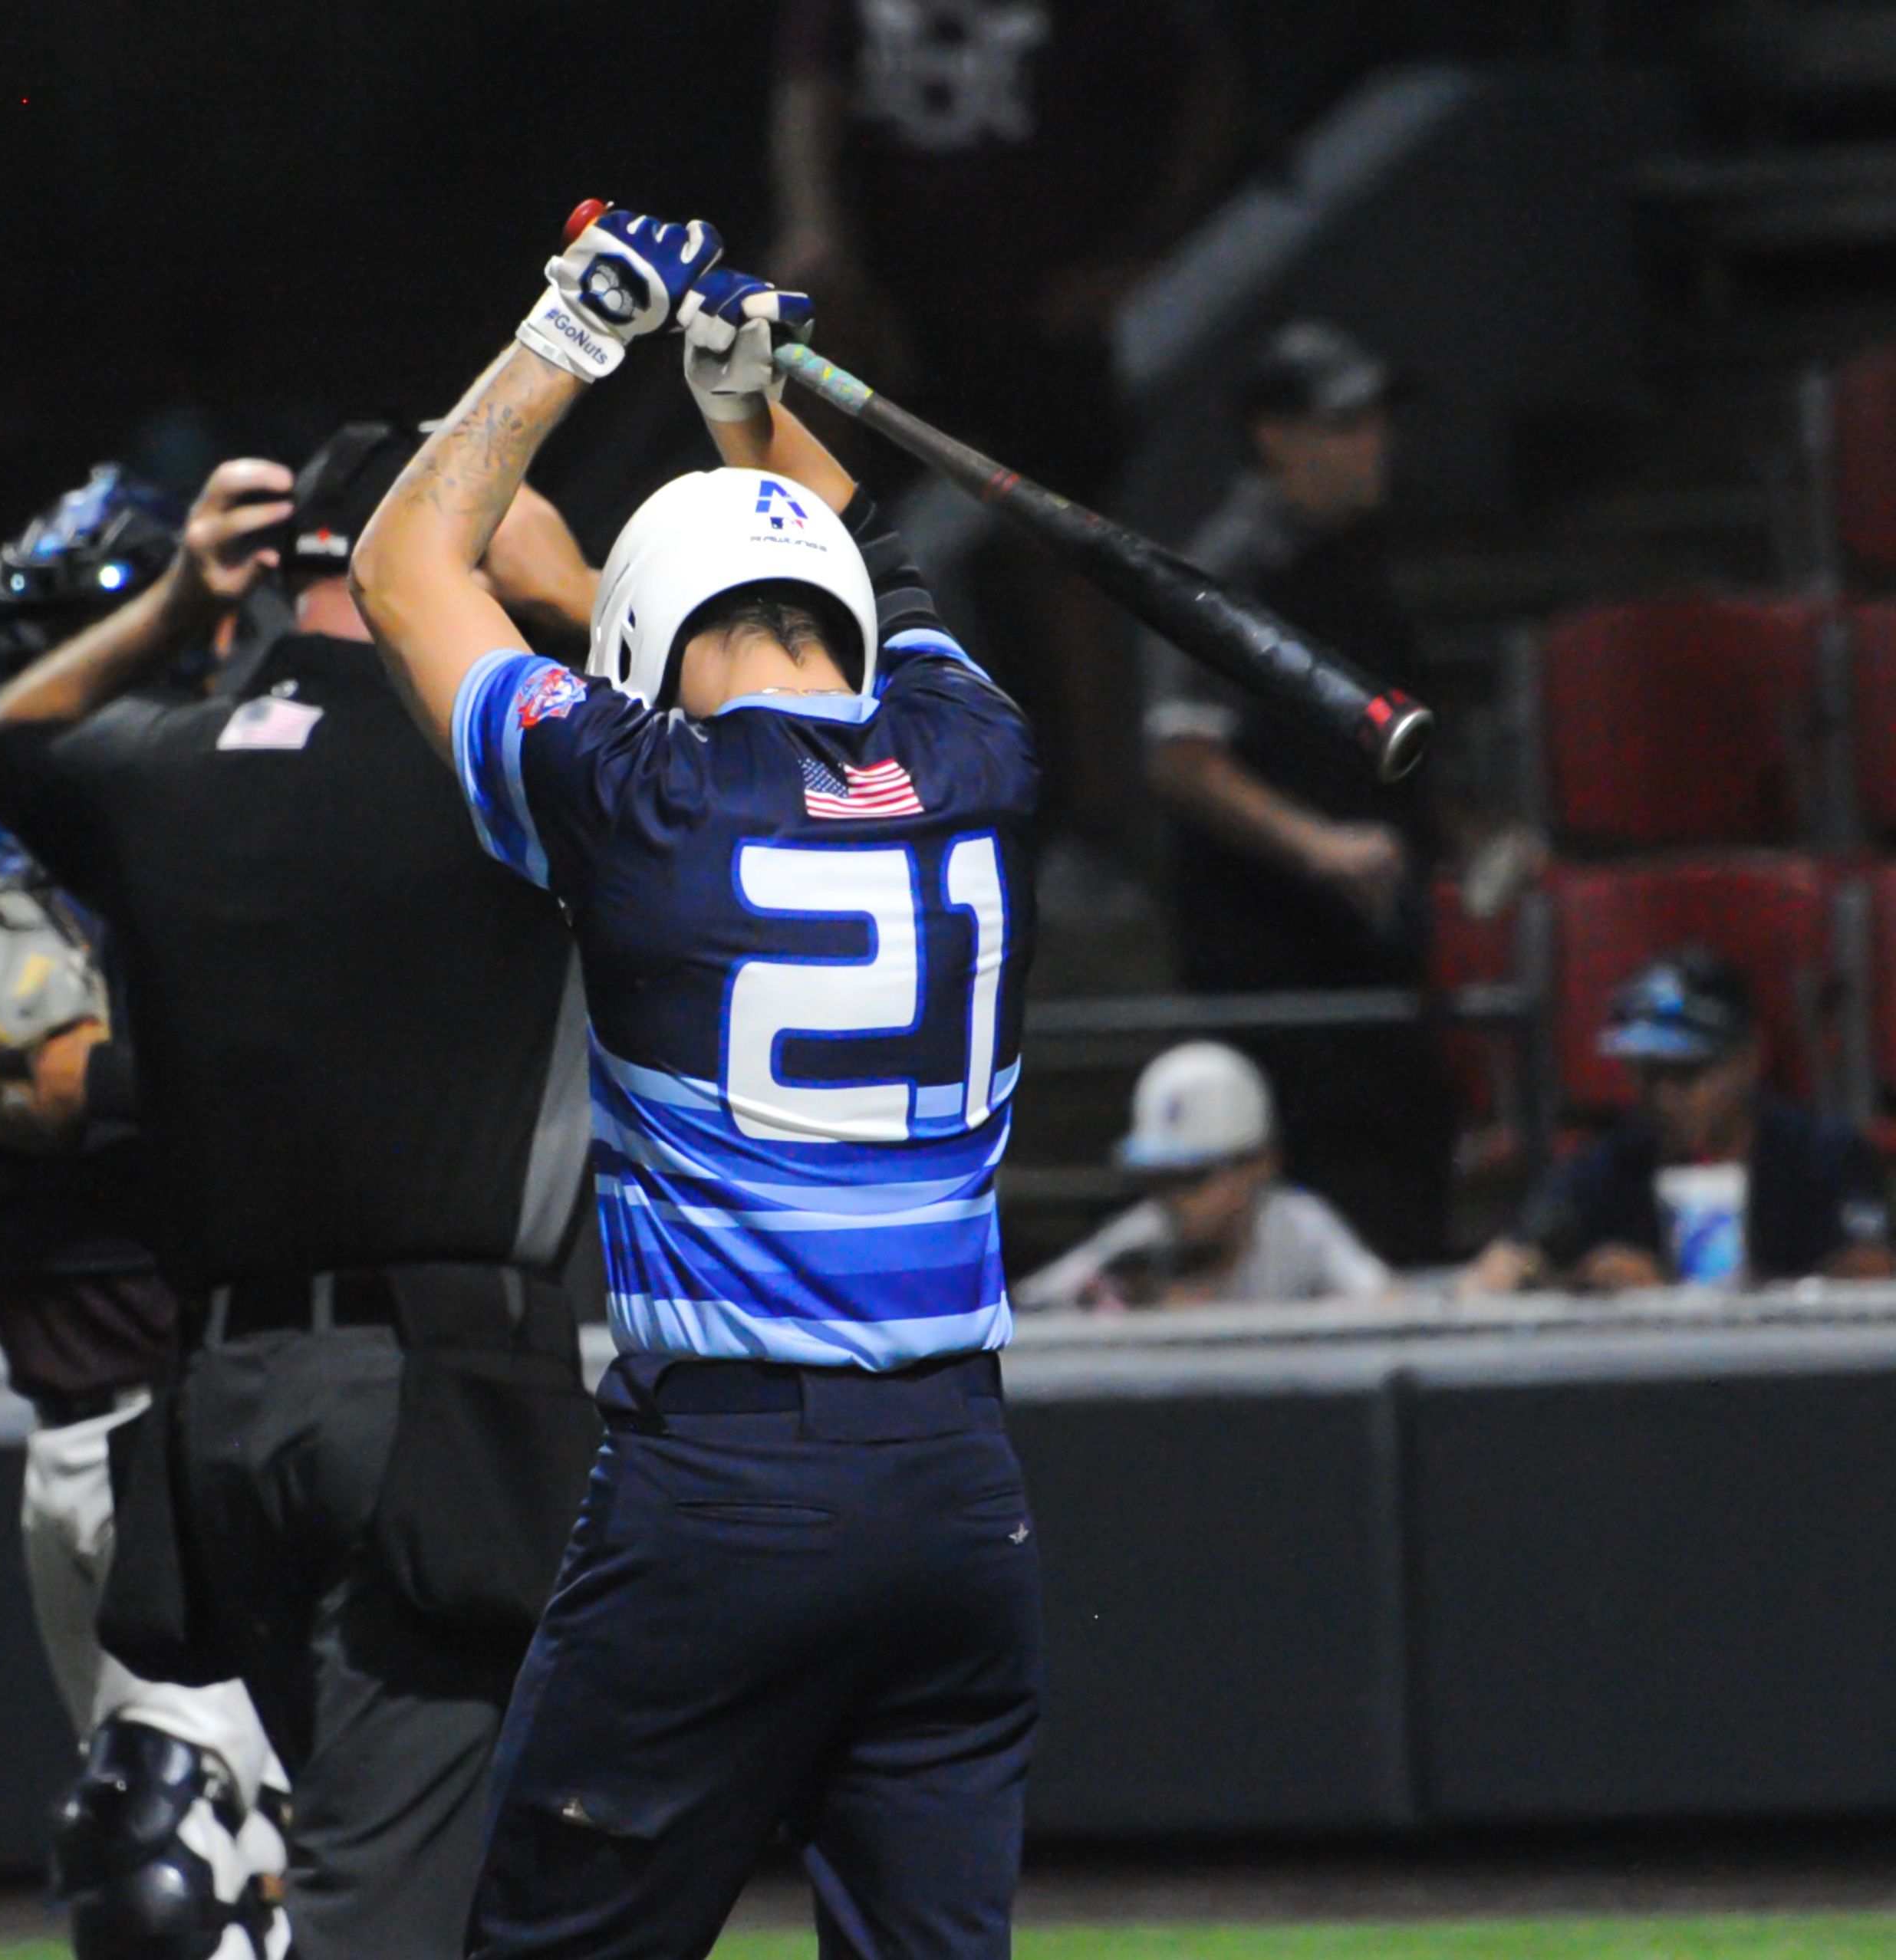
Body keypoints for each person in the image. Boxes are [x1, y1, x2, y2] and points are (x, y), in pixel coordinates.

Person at [354, 206, 1040, 1959]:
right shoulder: (976, 757)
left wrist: (573, 332)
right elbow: (870, 562)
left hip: (726, 1486)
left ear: (643, 633)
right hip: (959, 1490)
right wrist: (750, 403)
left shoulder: (629, 792)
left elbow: (402, 566)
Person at [0, 426, 602, 1960]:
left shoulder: (166, 764)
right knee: (390, 1897)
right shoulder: (516, 766)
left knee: (382, 1849)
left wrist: (184, 602)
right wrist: (572, 593)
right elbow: (750, 726)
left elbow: (10, 745)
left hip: (223, 1412)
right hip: (436, 1406)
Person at [0, 465, 290, 1960]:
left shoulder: (240, 849)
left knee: (246, 1867)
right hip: (103, 1441)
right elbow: (2, 1070)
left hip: (236, 1422)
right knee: (192, 1864)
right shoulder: (26, 903)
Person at [770, 0, 1243, 853]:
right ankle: (825, 780)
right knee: (824, 536)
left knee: (1066, 558)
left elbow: (1199, 84)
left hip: (1039, 304)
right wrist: (815, 227)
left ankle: (1100, 824)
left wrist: (1143, 251)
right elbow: (812, 85)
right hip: (889, 302)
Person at [1144, 321, 1466, 1264]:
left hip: (1371, 959)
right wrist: (1318, 846)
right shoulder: (1231, 569)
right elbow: (1179, 758)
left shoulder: (1360, 565)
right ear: (1275, 436)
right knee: (1316, 1214)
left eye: (1375, 421)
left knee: (1410, 1173)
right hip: (1273, 967)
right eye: (1344, 423)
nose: (1374, 443)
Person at [1463, 950, 1894, 1294]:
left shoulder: (1821, 1155)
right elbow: (1502, 1266)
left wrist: (1675, 1292)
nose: (1666, 1097)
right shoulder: (1611, 1163)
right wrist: (1578, 1284)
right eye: (1649, 1074)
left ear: (1747, 1061)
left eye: (1688, 1075)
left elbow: (1872, 1273)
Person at [1019, 1041, 1387, 1311]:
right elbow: (1029, 1308)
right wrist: (1107, 1306)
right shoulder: (1143, 1238)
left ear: (1259, 1165)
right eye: (1160, 1178)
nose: (1174, 1197)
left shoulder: (1299, 1227)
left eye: (1194, 1176)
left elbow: (1387, 1306)